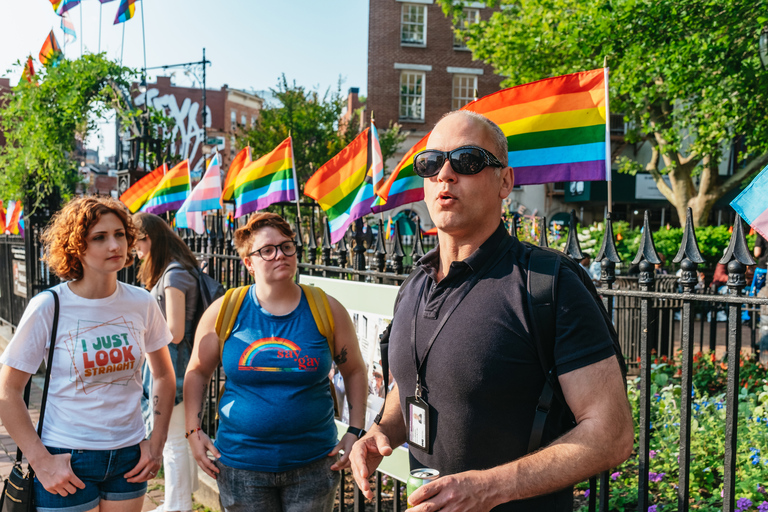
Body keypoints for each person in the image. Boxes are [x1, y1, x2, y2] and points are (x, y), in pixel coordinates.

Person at [349, 111, 634, 511]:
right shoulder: (414, 286)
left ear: (505, 182)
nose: (445, 175)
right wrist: (381, 431)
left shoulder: (549, 283)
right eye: (431, 163)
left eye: (467, 161)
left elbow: (612, 433)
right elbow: (413, 384)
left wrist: (489, 488)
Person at [0, 196, 176, 512]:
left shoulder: (142, 302)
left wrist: (156, 444)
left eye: (120, 234)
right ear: (76, 247)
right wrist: (41, 462)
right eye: (100, 237)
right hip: (67, 457)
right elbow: (7, 390)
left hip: (129, 456)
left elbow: (163, 374)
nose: (115, 245)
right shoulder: (49, 306)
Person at [183, 212, 368, 512]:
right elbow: (197, 371)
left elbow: (355, 370)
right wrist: (193, 430)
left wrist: (355, 431)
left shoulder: (326, 308)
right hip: (241, 467)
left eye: (286, 246)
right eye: (267, 250)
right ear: (249, 263)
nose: (279, 255)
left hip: (314, 465)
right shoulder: (225, 310)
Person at [133, 212, 201, 512]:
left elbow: (174, 332)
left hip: (175, 367)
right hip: (179, 365)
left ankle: (178, 505)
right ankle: (179, 500)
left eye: (136, 243)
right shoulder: (176, 270)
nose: (134, 250)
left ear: (151, 239)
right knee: (181, 439)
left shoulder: (173, 275)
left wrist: (142, 330)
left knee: (173, 440)